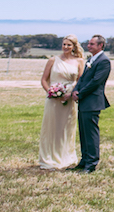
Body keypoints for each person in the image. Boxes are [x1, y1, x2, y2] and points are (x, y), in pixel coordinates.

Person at [38, 35, 85, 170]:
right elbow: (44, 80)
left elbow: (80, 81)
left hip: (69, 99)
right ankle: (49, 157)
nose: (65, 47)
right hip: (53, 100)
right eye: (64, 44)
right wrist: (51, 93)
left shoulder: (79, 61)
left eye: (69, 45)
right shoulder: (53, 60)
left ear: (74, 47)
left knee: (66, 128)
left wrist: (70, 94)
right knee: (51, 127)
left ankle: (65, 156)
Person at [68, 34, 111, 173]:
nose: (88, 46)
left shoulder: (104, 61)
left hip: (92, 101)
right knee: (84, 132)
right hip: (84, 101)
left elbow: (95, 82)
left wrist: (80, 93)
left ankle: (91, 163)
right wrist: (75, 90)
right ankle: (84, 160)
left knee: (91, 133)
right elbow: (82, 79)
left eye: (92, 44)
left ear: (100, 46)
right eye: (89, 43)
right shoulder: (90, 60)